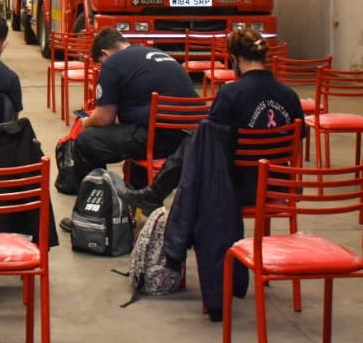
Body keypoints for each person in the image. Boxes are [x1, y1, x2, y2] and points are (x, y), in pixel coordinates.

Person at [118, 27, 306, 215]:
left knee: (197, 138)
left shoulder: (231, 94)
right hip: (279, 185)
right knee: (199, 137)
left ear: (234, 59)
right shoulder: (289, 95)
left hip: (237, 189)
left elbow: (208, 142)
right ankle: (154, 194)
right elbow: (298, 140)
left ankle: (155, 194)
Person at [61, 27, 197, 232]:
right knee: (127, 135)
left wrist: (85, 122)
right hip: (188, 141)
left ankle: (94, 216)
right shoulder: (157, 55)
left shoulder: (114, 64)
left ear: (105, 53)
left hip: (156, 140)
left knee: (86, 141)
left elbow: (104, 118)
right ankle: (134, 199)